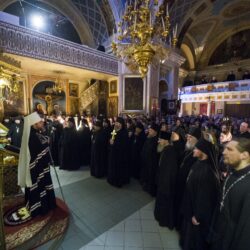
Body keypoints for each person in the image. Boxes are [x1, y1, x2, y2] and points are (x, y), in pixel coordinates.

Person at [180, 138, 220, 250]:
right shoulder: (198, 163)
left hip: (196, 215)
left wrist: (197, 215)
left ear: (203, 152)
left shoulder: (207, 171)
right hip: (190, 207)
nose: (194, 150)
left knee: (194, 241)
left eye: (196, 148)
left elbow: (205, 198)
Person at [210, 138, 250, 250]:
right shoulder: (232, 172)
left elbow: (246, 230)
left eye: (229, 149)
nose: (223, 152)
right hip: (219, 234)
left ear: (244, 155)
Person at [18, 112, 56, 217]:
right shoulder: (33, 136)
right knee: (39, 187)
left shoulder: (33, 134)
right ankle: (40, 208)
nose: (42, 122)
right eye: (40, 122)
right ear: (34, 124)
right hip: (37, 169)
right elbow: (42, 149)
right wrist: (47, 142)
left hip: (37, 168)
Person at [175, 126, 201, 231]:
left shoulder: (197, 154)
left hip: (187, 188)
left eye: (191, 137)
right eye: (188, 137)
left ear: (197, 140)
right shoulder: (188, 149)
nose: (188, 139)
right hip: (180, 184)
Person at [154, 131, 178, 229]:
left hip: (166, 184)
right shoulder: (166, 149)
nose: (158, 141)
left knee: (165, 203)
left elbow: (170, 172)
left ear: (165, 141)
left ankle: (164, 220)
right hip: (162, 182)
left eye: (160, 139)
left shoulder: (170, 152)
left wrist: (164, 184)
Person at [107, 117, 130, 187]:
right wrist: (110, 141)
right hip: (113, 153)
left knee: (119, 169)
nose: (117, 125)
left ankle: (119, 181)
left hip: (120, 155)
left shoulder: (124, 133)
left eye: (119, 123)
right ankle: (112, 179)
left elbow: (124, 145)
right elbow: (111, 138)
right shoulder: (114, 131)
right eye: (116, 123)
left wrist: (114, 143)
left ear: (122, 124)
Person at [140, 123, 159, 196]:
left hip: (152, 163)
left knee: (151, 176)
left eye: (151, 130)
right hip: (146, 161)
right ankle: (145, 185)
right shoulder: (148, 138)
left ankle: (150, 189)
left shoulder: (156, 141)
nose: (149, 131)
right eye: (149, 130)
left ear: (155, 132)